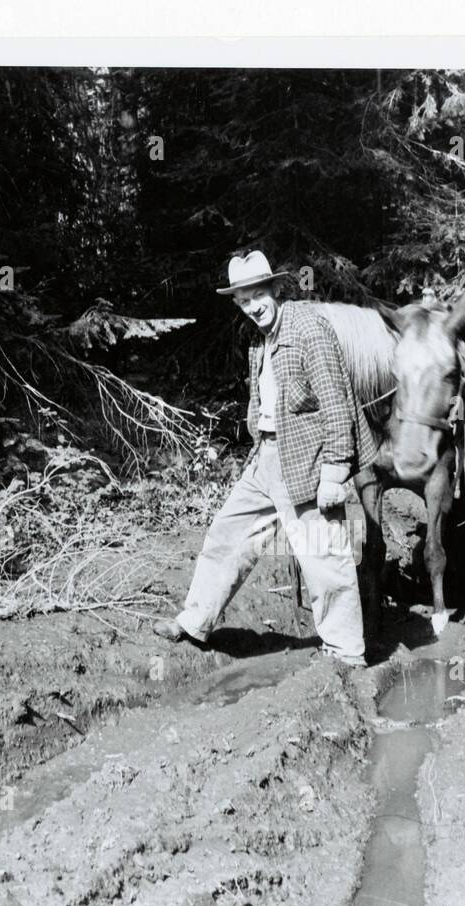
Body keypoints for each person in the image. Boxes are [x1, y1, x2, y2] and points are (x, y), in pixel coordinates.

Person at [152, 249, 377, 664]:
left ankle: (346, 653)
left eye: (257, 295)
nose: (252, 307)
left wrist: (335, 469)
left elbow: (336, 401)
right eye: (242, 300)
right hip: (267, 456)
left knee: (323, 557)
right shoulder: (260, 341)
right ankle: (195, 621)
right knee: (228, 534)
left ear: (276, 289)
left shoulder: (309, 328)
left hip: (309, 461)